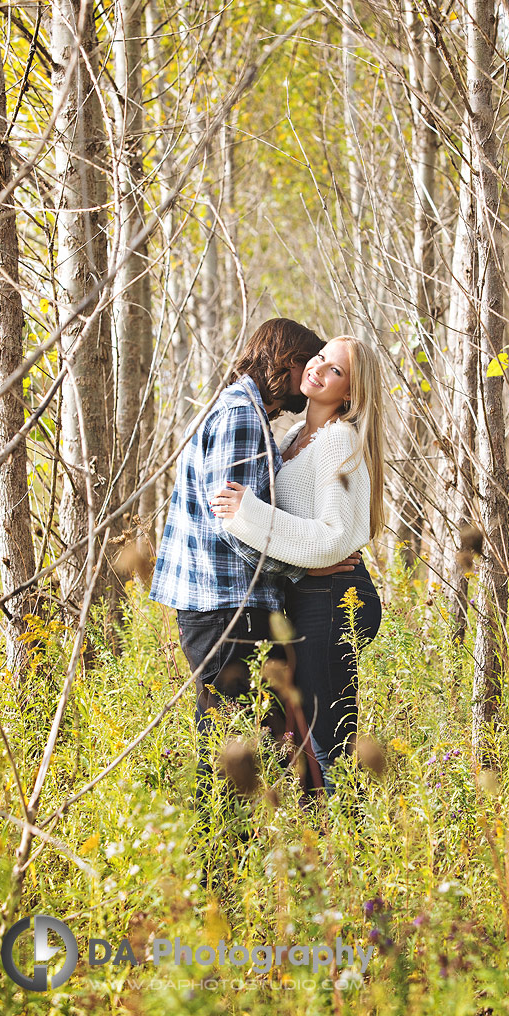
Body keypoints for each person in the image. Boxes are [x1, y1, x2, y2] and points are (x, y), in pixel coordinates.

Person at [149, 318, 356, 885]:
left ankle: (236, 880)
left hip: (225, 605)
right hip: (227, 608)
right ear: (285, 362)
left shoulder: (247, 415)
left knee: (244, 743)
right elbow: (236, 526)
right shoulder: (242, 416)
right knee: (233, 753)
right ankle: (218, 886)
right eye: (306, 363)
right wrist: (307, 562)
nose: (308, 377)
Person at [212, 336, 384, 793]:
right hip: (309, 594)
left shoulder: (337, 440)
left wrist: (247, 513)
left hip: (335, 597)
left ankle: (352, 849)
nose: (319, 368)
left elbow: (335, 536)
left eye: (336, 371)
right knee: (302, 733)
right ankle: (320, 846)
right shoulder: (293, 437)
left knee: (327, 737)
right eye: (321, 357)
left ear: (348, 393)